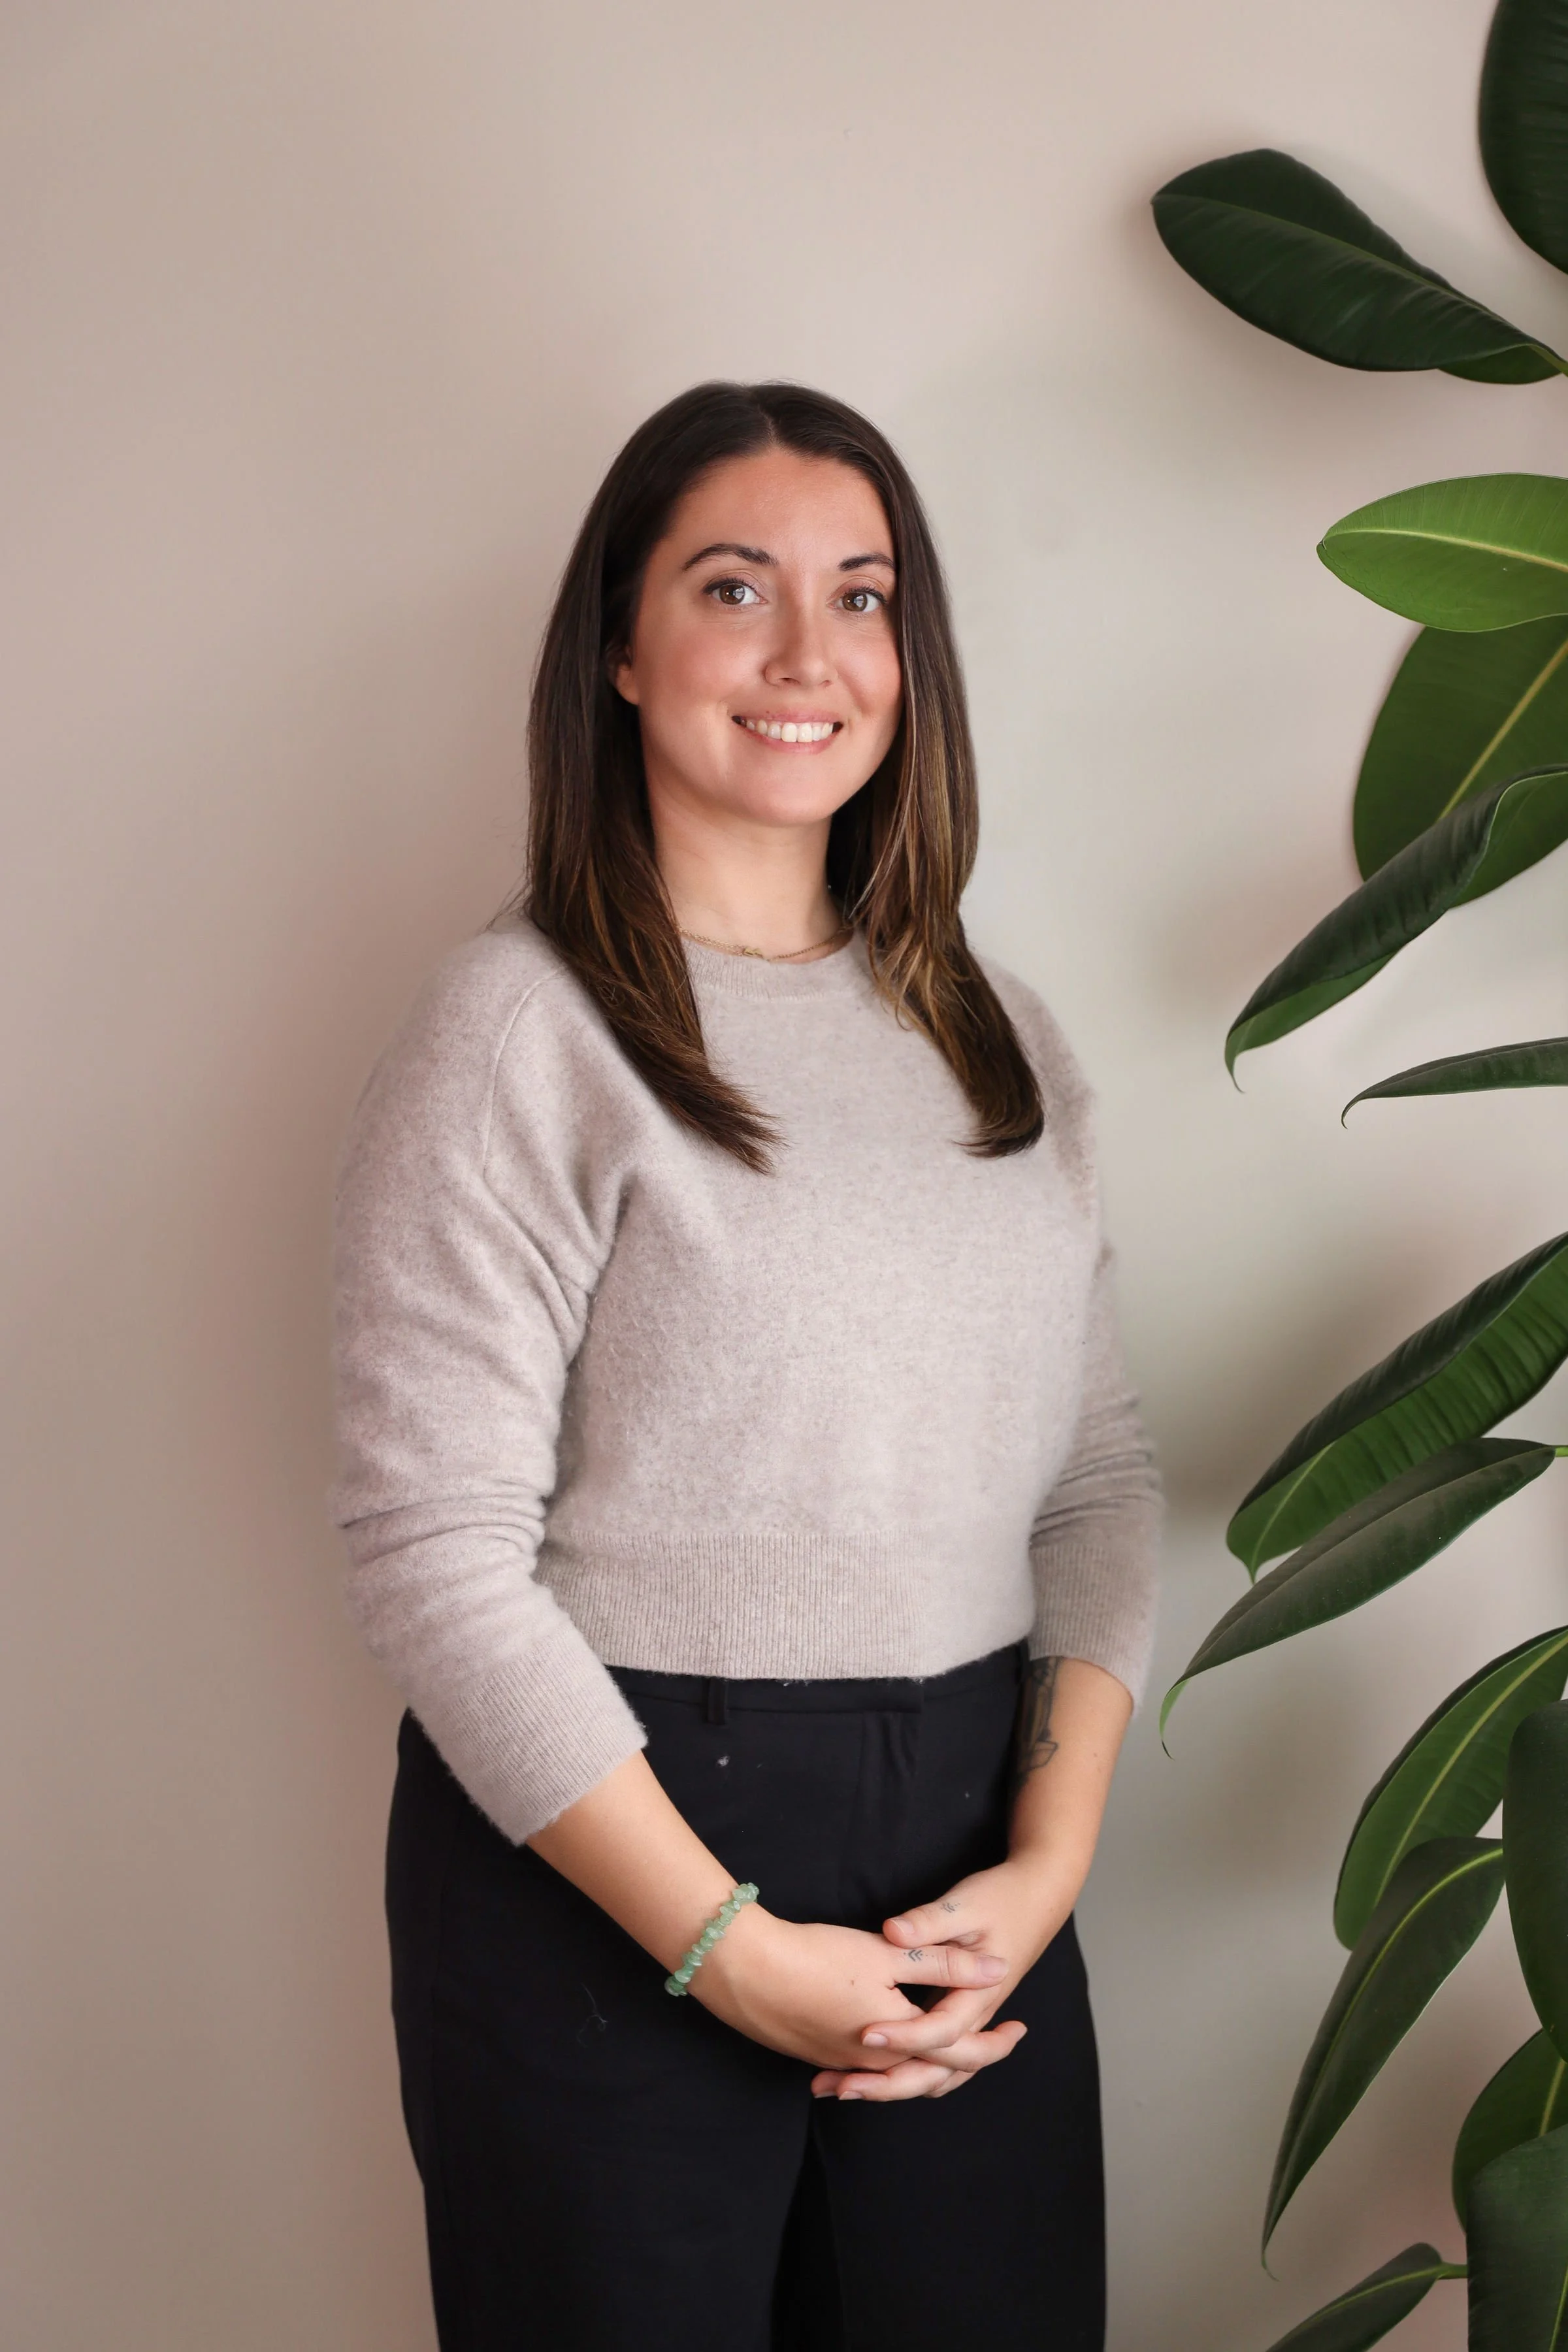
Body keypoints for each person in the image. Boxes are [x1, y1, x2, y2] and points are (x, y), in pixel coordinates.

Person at [331, 379, 1162, 2352]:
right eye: (735, 588)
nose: (811, 657)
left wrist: (1048, 1860)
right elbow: (432, 1551)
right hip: (603, 1863)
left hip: (969, 1863)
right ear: (621, 651)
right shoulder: (519, 1031)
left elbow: (1100, 1482)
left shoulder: (1000, 1036)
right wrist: (719, 1943)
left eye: (864, 597)